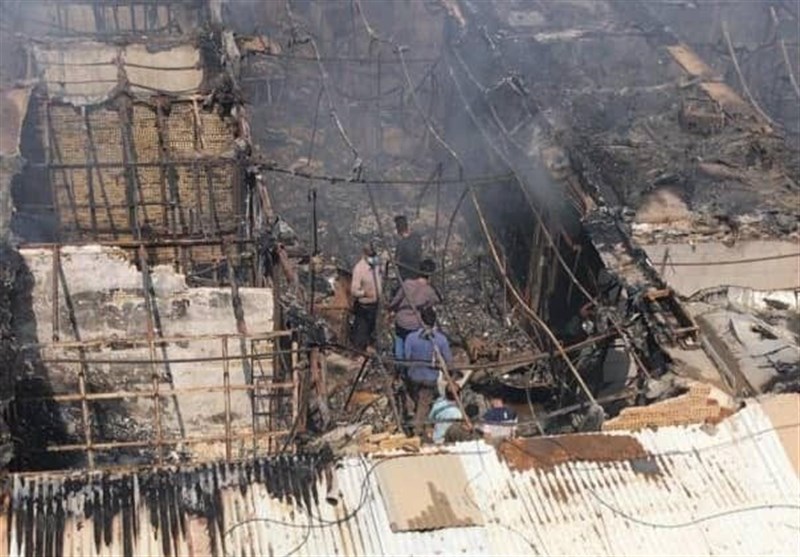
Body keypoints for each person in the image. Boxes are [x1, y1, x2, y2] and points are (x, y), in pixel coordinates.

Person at [404, 307, 452, 436]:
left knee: (417, 398)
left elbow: (406, 357)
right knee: (424, 403)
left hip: (413, 375)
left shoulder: (411, 337)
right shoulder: (441, 339)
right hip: (430, 377)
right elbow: (448, 359)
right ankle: (417, 429)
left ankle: (413, 417)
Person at [390, 258, 440, 361]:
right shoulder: (429, 291)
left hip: (401, 320)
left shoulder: (407, 283)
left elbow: (396, 300)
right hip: (415, 324)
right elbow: (436, 300)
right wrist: (425, 305)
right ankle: (409, 363)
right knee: (411, 345)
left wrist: (390, 308)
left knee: (399, 341)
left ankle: (399, 363)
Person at [349, 243, 382, 351]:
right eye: (370, 256)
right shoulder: (359, 269)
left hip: (375, 306)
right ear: (364, 255)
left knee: (372, 337)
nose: (373, 258)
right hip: (364, 308)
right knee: (361, 337)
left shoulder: (376, 266)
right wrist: (364, 293)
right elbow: (354, 290)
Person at [394, 215, 422, 282]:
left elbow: (396, 261)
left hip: (405, 276)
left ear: (398, 228)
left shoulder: (401, 243)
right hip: (417, 272)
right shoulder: (417, 237)